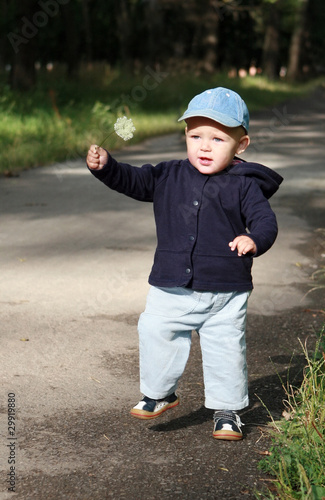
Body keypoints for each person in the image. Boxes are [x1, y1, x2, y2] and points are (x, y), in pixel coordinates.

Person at [86, 87, 283, 441]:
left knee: (225, 349)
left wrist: (255, 240)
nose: (204, 146)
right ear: (185, 136)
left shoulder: (244, 186)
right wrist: (106, 167)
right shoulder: (168, 175)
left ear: (242, 145)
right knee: (155, 331)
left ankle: (228, 411)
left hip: (226, 290)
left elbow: (265, 221)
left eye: (218, 139)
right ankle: (160, 393)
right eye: (195, 136)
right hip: (170, 285)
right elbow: (134, 180)